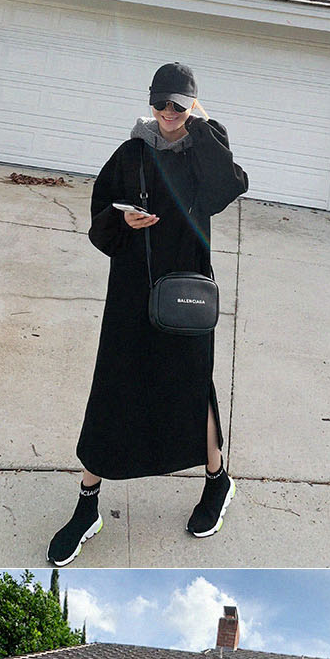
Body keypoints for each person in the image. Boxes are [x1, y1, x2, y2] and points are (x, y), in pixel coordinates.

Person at [47, 60, 247, 568]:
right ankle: (87, 504)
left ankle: (217, 481)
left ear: (192, 104)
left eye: (178, 104)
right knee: (112, 385)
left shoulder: (203, 146)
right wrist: (123, 221)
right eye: (161, 103)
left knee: (192, 383)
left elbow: (226, 188)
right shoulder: (131, 152)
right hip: (132, 290)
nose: (168, 113)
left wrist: (202, 128)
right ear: (150, 101)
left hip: (185, 286)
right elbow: (100, 214)